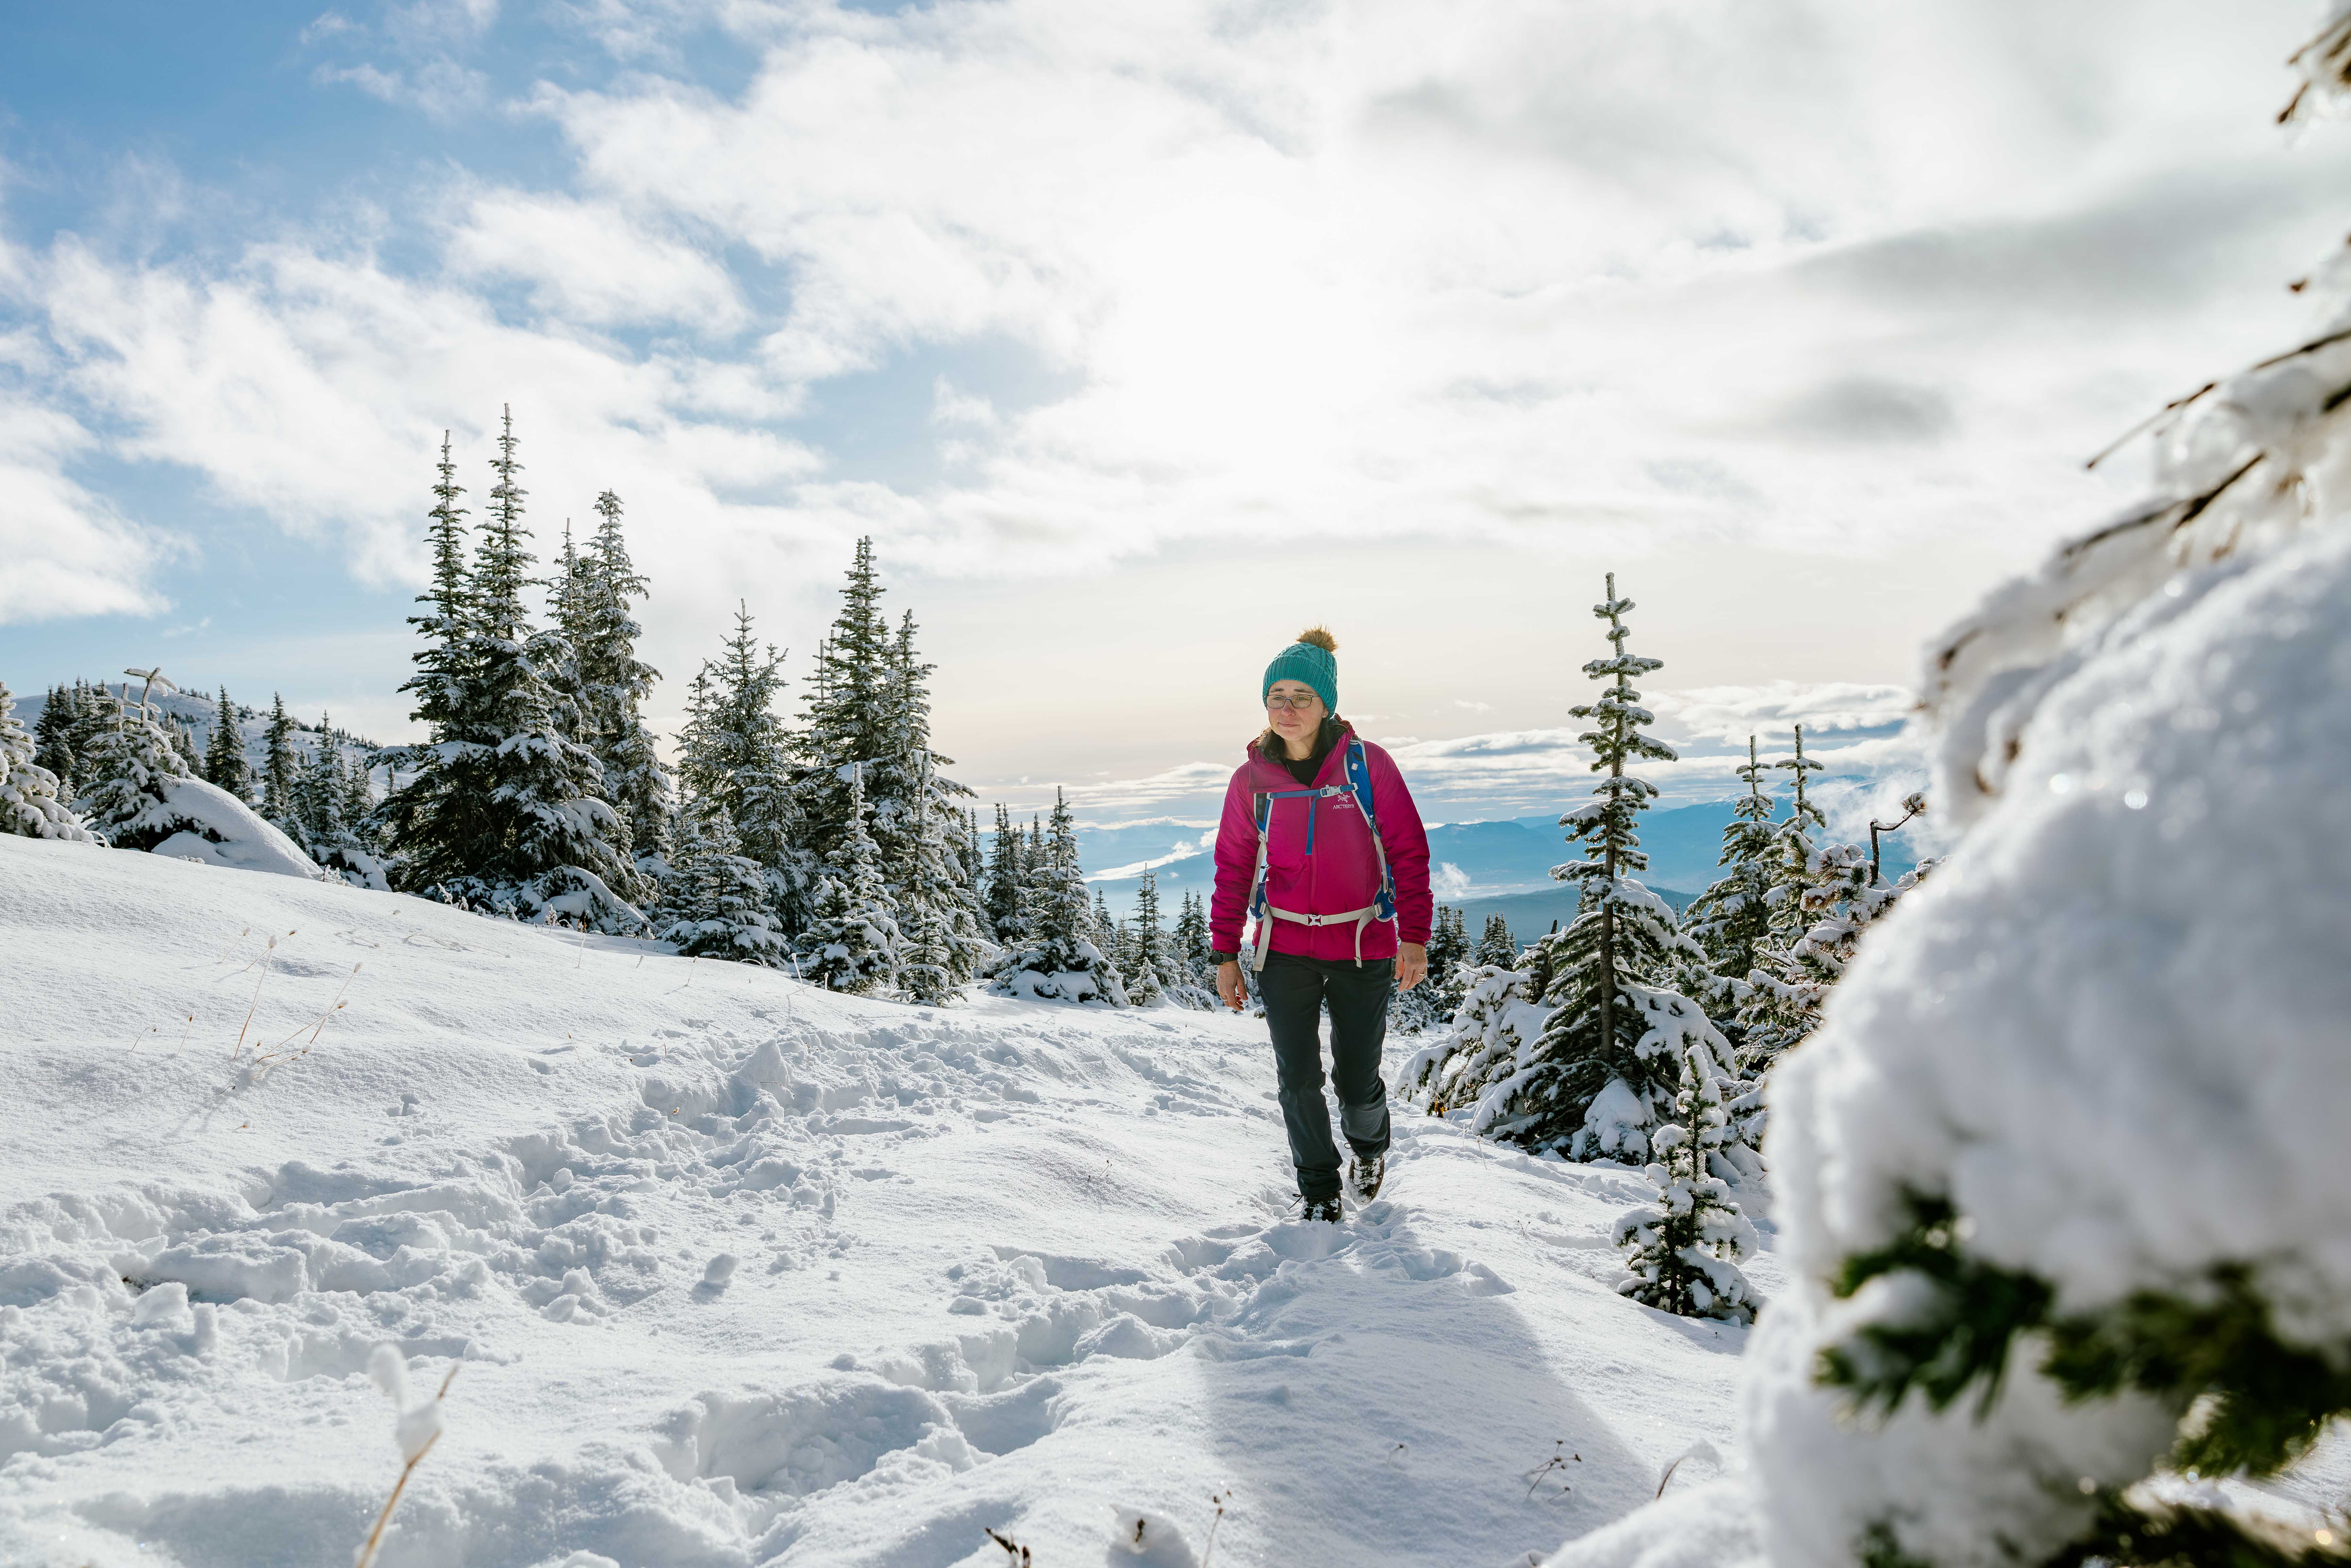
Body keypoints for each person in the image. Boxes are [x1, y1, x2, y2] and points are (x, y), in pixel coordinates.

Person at [1209, 627, 1432, 1223]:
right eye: (1276, 697)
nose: (1286, 710)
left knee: (1356, 1079)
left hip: (1362, 943)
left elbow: (1408, 851)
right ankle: (1318, 1191)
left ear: (1326, 704)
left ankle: (1370, 1148)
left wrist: (1414, 937)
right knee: (1298, 1078)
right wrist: (1225, 954)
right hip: (1283, 946)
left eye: (1301, 697)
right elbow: (1233, 867)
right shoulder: (1252, 781)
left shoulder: (1367, 766)